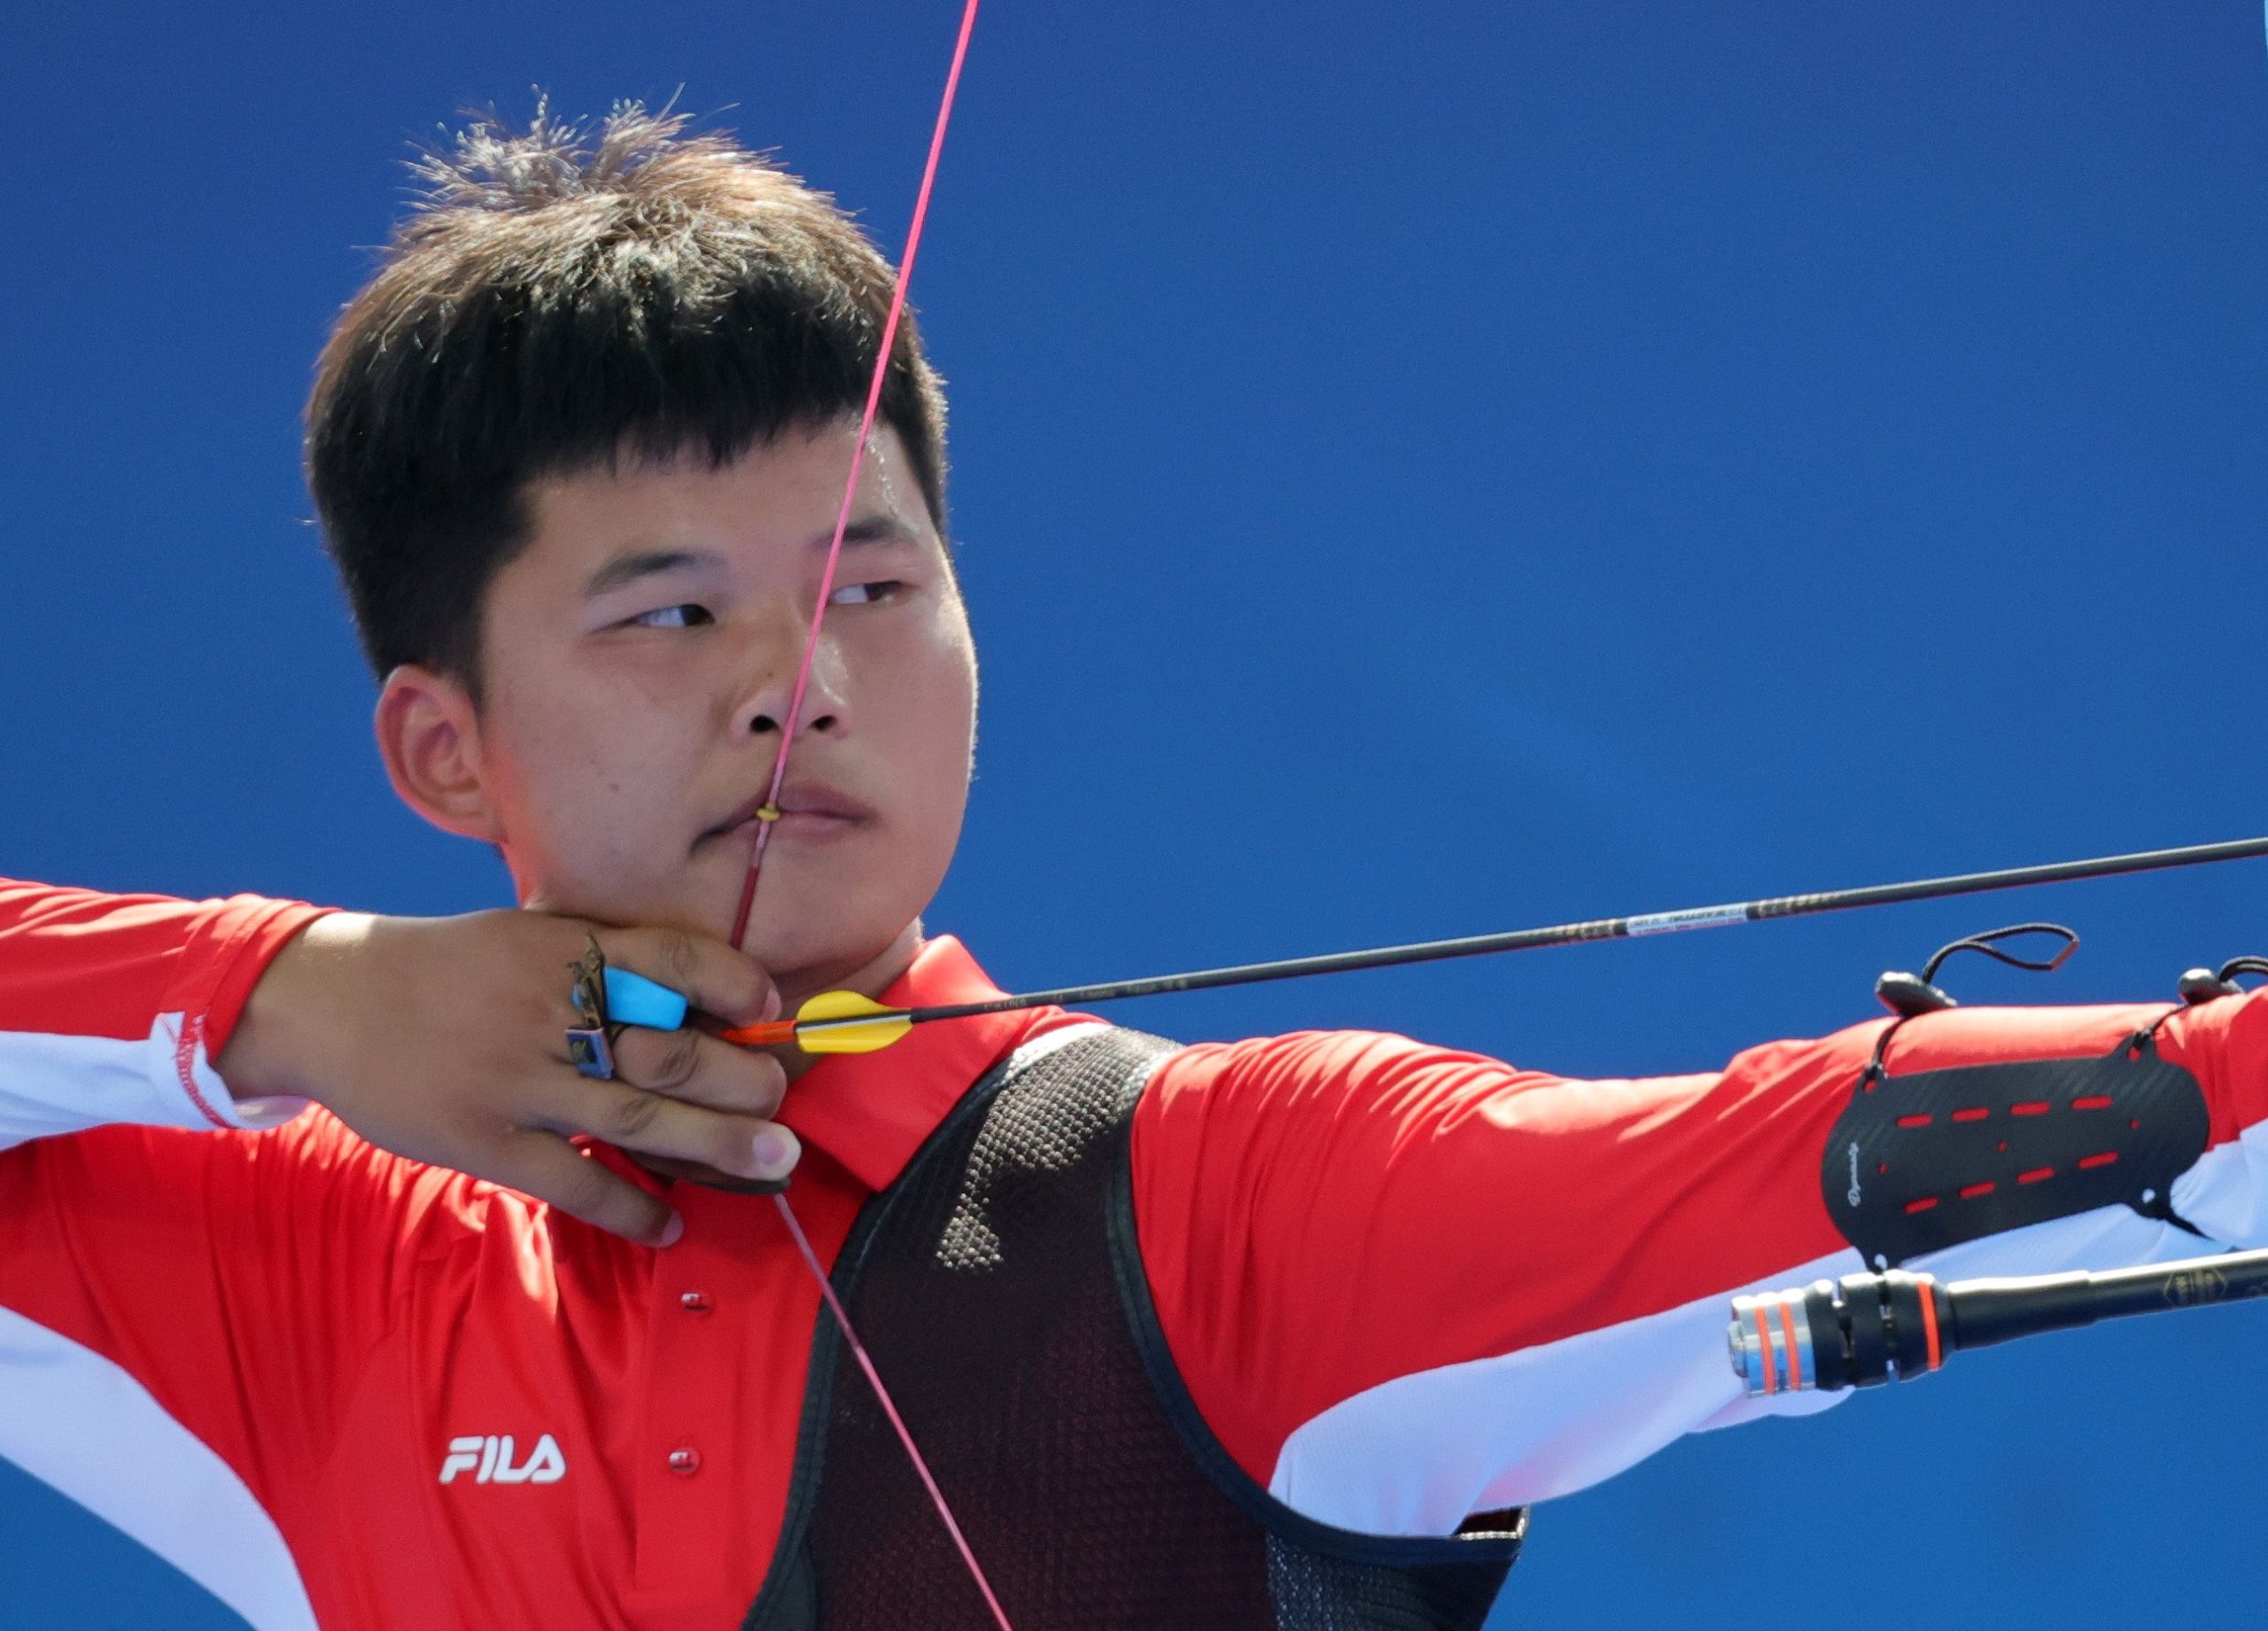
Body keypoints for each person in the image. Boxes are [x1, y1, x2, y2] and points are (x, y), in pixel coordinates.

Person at [5, 103, 2268, 1631]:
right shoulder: (307, 1288)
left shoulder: (1213, 1208)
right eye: (669, 611)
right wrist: (292, 995)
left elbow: (1896, 1140)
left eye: (871, 588)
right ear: (440, 742)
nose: (797, 684)